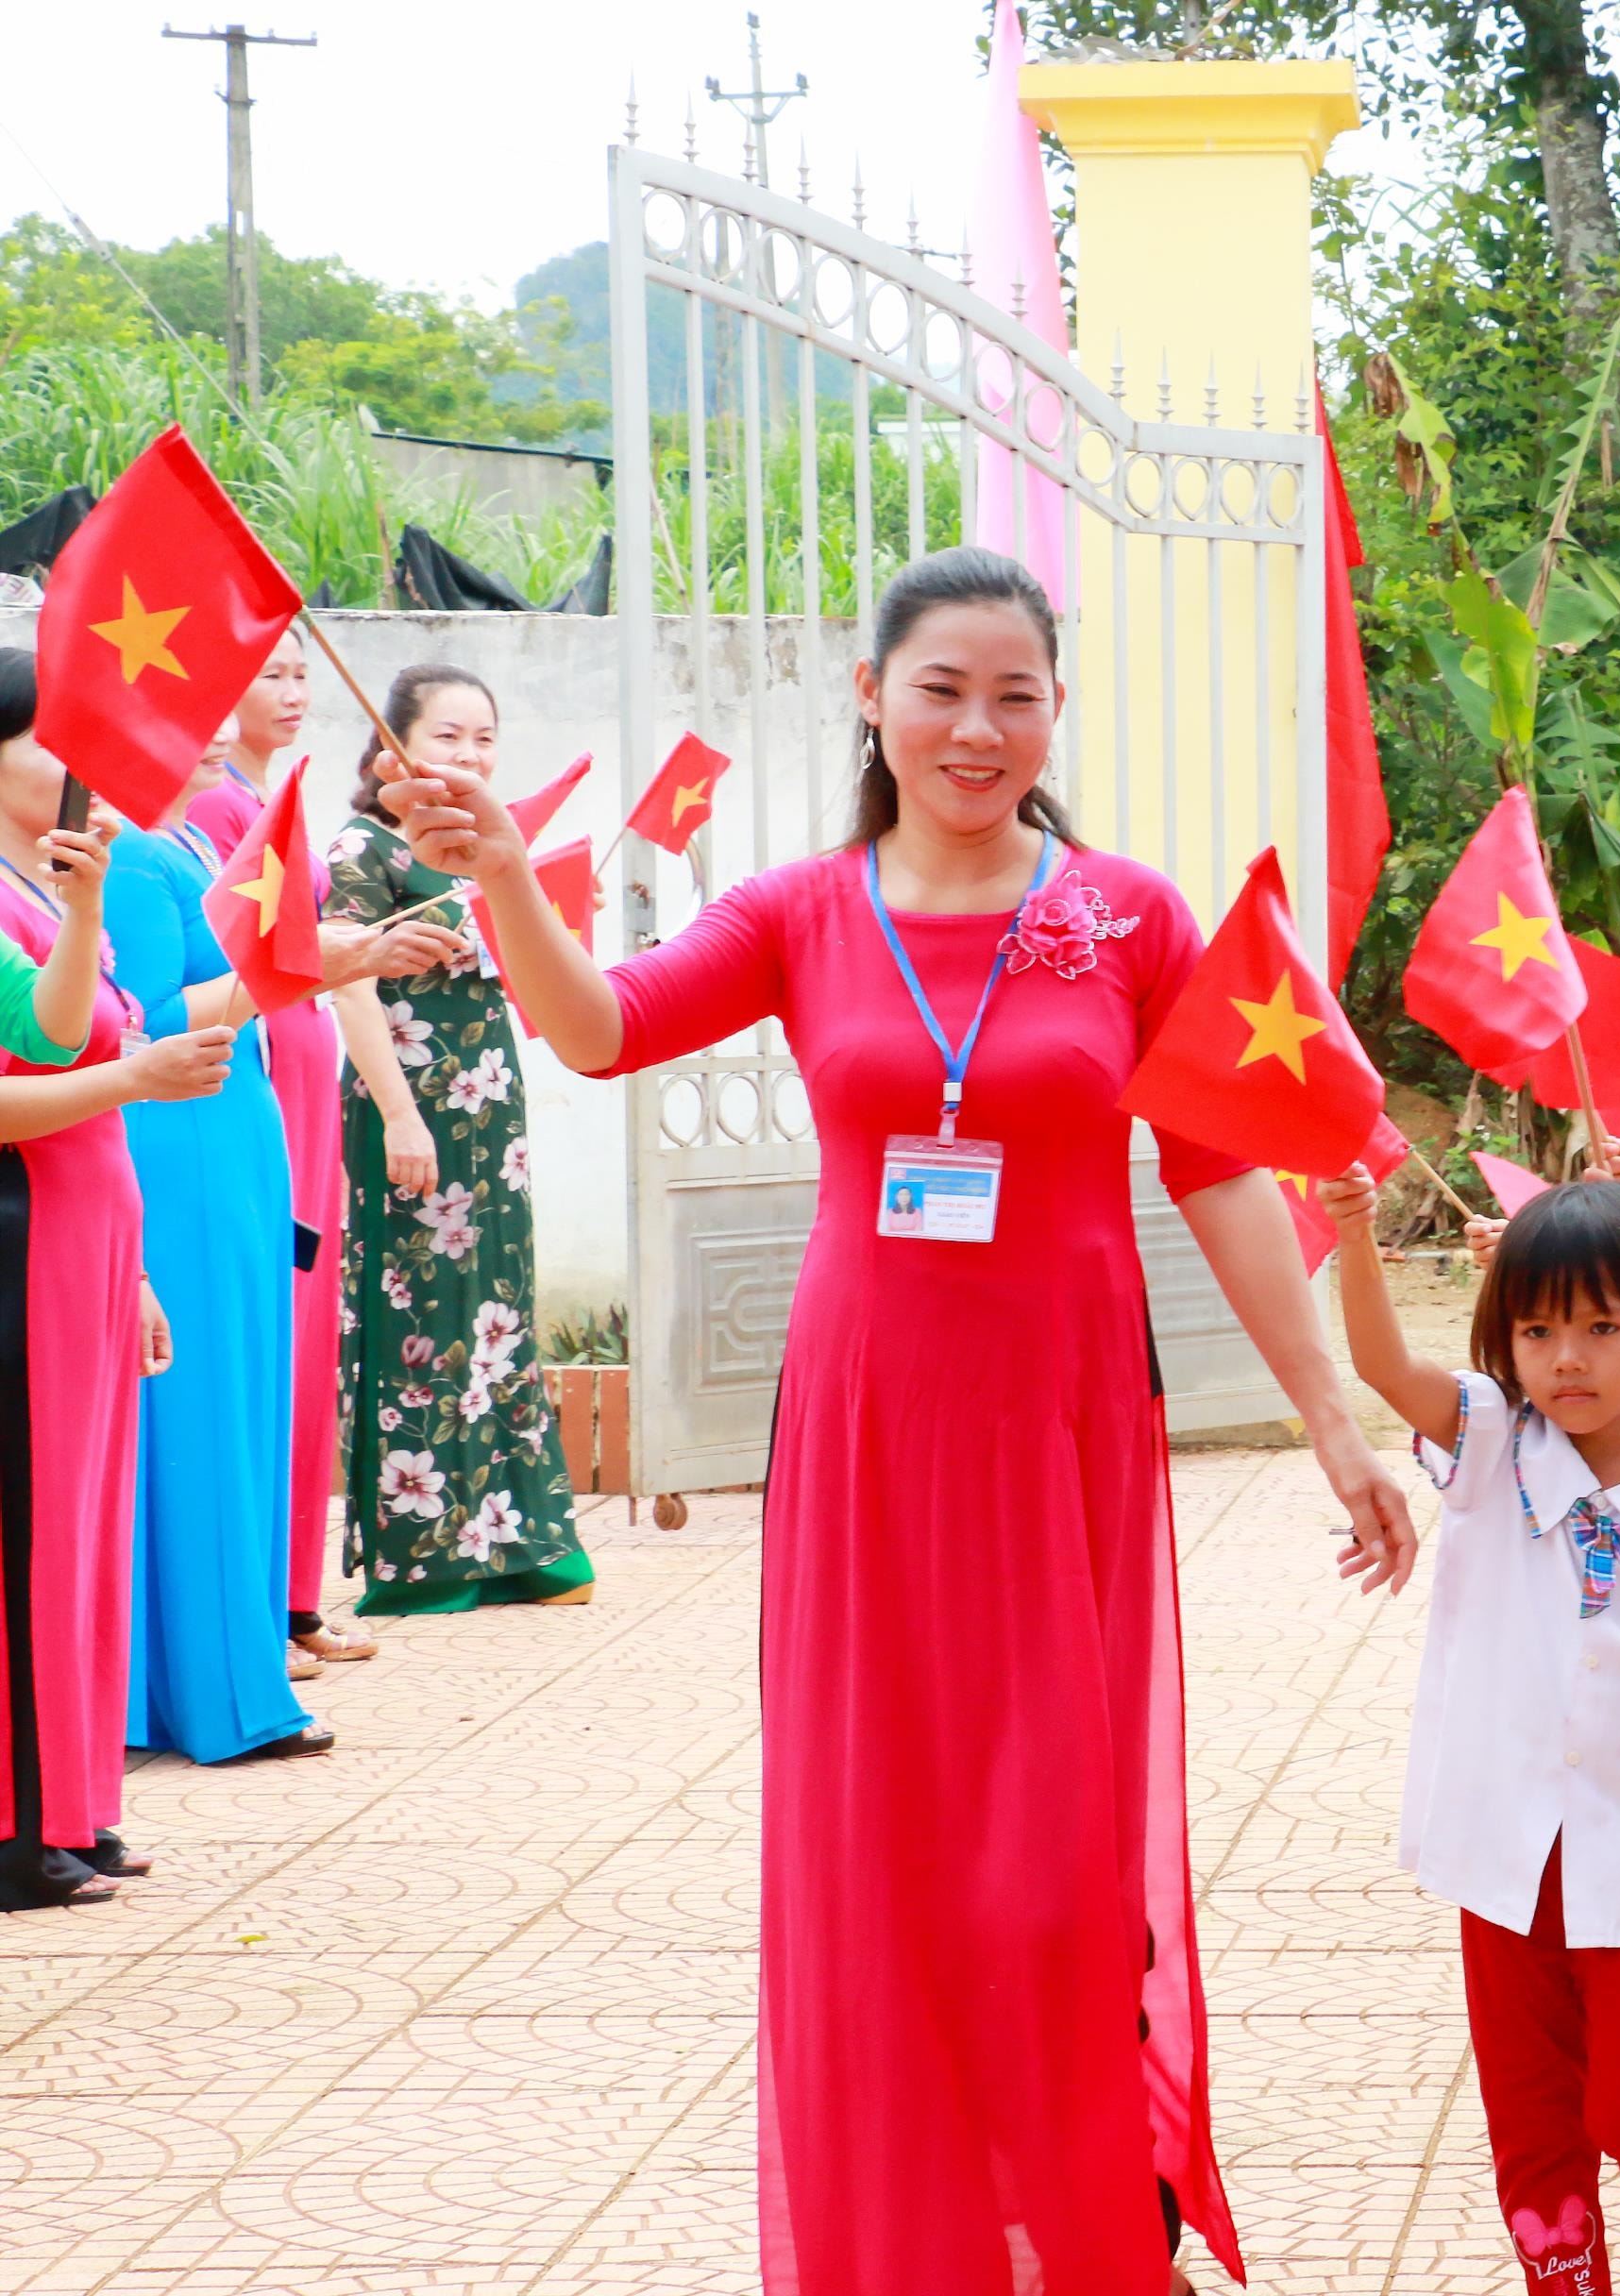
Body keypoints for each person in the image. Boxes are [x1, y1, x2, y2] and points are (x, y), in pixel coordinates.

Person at [388, 547, 1421, 2292]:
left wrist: (1332, 1410)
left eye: (1015, 693)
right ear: (870, 696)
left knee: (1050, 1852)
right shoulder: (800, 909)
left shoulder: (1125, 917)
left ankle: (1087, 2213)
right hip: (869, 1428)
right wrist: (504, 878)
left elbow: (1224, 1172)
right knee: (887, 1849)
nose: (978, 726)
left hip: (1061, 1422)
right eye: (941, 687)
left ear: (1051, 713)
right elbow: (601, 1028)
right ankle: (925, 2228)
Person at [1323, 1171, 1620, 2296]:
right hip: (1501, 1852)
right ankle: (1564, 2273)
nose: (1567, 1359)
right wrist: (1355, 1230)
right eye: (1537, 1329)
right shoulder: (1492, 1443)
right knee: (1532, 2105)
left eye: (1602, 1327)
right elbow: (1386, 1368)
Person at [0, 656, 232, 1903]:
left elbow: (67, 1021)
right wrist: (130, 1085)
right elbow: (33, 1071)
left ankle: (73, 1804)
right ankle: (16, 1824)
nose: (81, 778)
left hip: (88, 1245)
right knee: (28, 1534)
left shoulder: (36, 895)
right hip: (25, 1238)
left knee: (84, 1527)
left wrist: (134, 1275)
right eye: (55, 749)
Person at [325, 666, 595, 1613]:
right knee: (422, 1326)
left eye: (484, 737)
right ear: (388, 746)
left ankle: (518, 1543)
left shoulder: (482, 846)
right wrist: (399, 1111)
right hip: (410, 1107)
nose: (469, 754)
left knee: (493, 1316)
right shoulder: (362, 847)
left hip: (488, 1113)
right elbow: (347, 983)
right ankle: (428, 1556)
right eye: (447, 736)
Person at [186, 631, 372, 1669]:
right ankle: (268, 1603)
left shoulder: (270, 795)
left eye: (302, 673)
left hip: (298, 1058)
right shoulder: (219, 807)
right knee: (274, 1329)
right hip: (260, 1050)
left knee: (299, 1336)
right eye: (269, 672)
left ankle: (292, 1594)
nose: (292, 691)